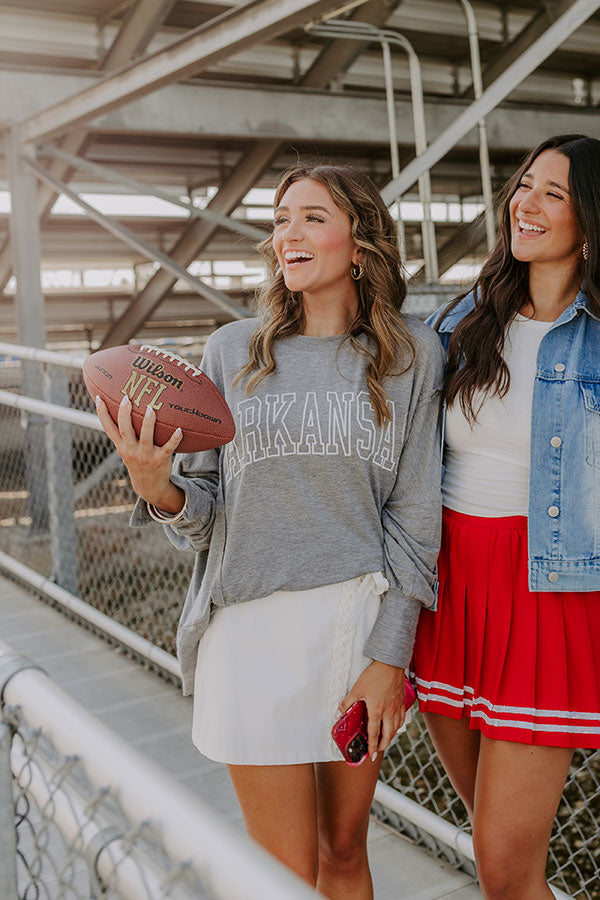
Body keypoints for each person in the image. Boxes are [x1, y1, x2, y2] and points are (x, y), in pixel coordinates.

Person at [95, 163, 444, 898]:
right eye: (281, 219)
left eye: (312, 217)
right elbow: (213, 514)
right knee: (282, 873)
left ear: (360, 244)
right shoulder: (233, 352)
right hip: (248, 632)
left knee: (344, 852)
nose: (288, 232)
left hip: (354, 628)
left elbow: (415, 518)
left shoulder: (410, 357)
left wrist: (390, 657)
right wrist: (159, 489)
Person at [411, 134, 600, 899]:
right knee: (501, 856)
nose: (528, 202)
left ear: (588, 220)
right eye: (525, 185)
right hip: (449, 582)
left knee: (502, 866)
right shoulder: (465, 318)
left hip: (544, 590)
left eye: (553, 193)